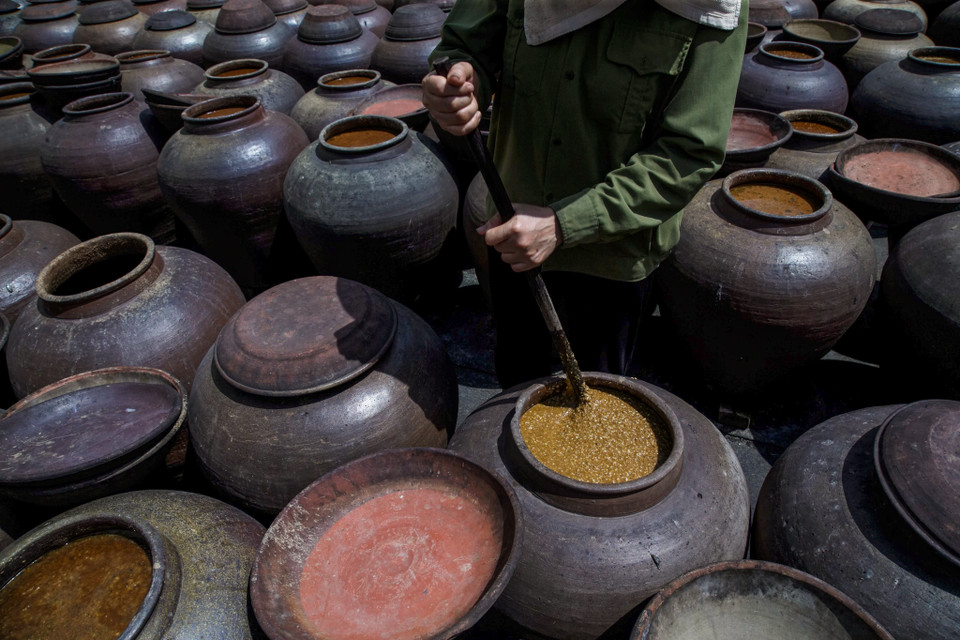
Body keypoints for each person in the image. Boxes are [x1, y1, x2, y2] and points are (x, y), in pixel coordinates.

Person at [422, 0, 747, 389]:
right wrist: (458, 87)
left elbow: (688, 154)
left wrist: (563, 224)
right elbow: (462, 47)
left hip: (613, 258)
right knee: (517, 383)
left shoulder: (713, 6)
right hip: (512, 233)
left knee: (596, 401)